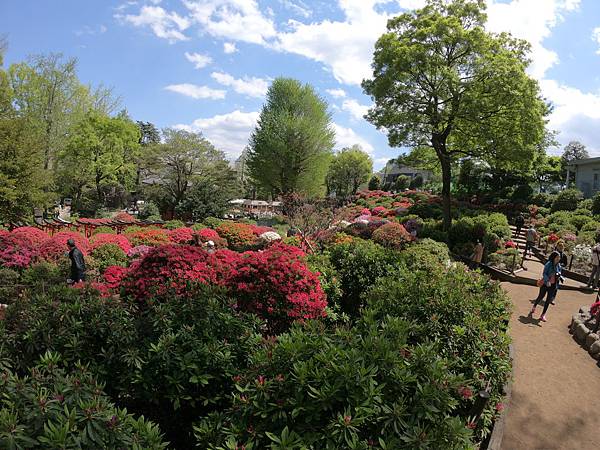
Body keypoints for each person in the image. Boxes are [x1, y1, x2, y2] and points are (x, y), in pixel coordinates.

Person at [530, 251, 562, 322]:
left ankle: (543, 315)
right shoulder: (548, 264)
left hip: (553, 285)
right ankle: (534, 306)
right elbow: (544, 273)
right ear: (554, 257)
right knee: (541, 297)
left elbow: (559, 273)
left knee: (548, 300)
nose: (558, 258)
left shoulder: (559, 266)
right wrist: (547, 280)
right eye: (557, 257)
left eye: (559, 257)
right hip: (545, 284)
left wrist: (560, 277)